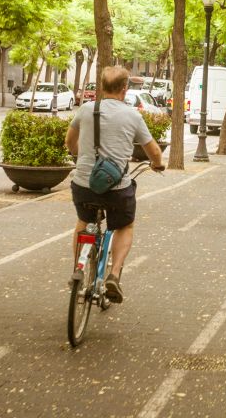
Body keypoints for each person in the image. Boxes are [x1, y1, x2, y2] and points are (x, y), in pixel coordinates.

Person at [65, 66, 165, 303]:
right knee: (125, 226)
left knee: (84, 221)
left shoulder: (86, 110)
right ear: (125, 88)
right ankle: (114, 274)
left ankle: (78, 269)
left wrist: (82, 158)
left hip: (83, 184)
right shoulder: (133, 116)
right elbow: (154, 151)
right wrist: (157, 164)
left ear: (101, 86)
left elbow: (70, 141)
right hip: (117, 188)